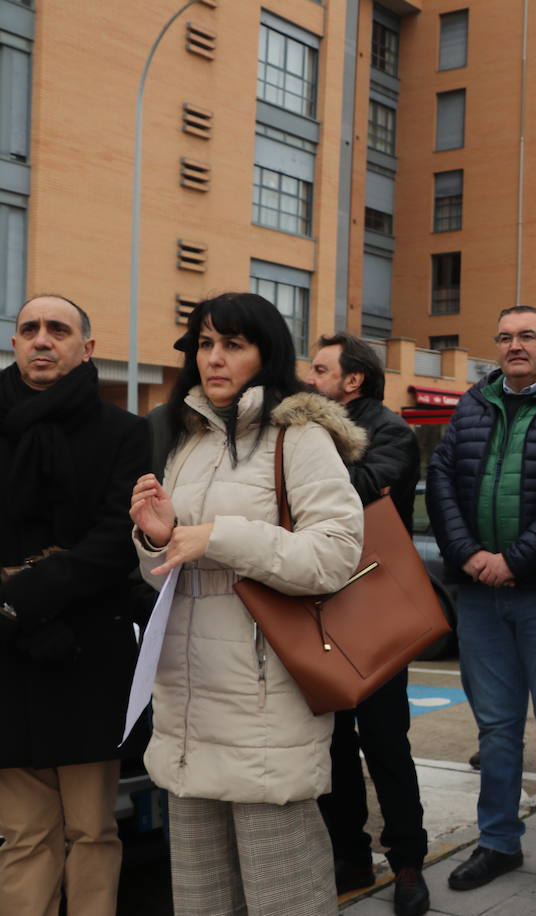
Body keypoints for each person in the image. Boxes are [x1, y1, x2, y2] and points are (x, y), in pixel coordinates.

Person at [129, 293, 365, 916]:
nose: (214, 358)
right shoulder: (188, 439)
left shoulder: (299, 435)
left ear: (267, 354)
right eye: (205, 344)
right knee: (204, 900)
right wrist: (157, 539)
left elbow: (336, 554)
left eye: (233, 344)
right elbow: (166, 581)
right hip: (187, 706)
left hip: (266, 708)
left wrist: (220, 537)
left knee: (284, 897)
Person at [427, 306, 536, 900]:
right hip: (477, 594)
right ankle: (497, 842)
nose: (514, 346)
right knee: (495, 730)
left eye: (527, 336)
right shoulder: (473, 402)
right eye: (505, 337)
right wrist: (468, 555)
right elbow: (442, 479)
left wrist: (515, 559)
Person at [0, 295, 150, 916]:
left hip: (90, 654)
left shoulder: (125, 432)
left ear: (86, 348)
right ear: (14, 343)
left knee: (93, 830)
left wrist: (24, 594)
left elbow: (118, 538)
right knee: (23, 834)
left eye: (57, 329)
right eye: (28, 328)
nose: (41, 339)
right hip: (7, 653)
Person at [305, 333, 429, 916]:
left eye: (321, 369)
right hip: (317, 600)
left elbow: (353, 494)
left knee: (385, 743)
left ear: (352, 380)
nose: (308, 379)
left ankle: (407, 862)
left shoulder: (392, 431)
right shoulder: (306, 432)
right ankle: (348, 855)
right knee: (332, 744)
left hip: (373, 603)